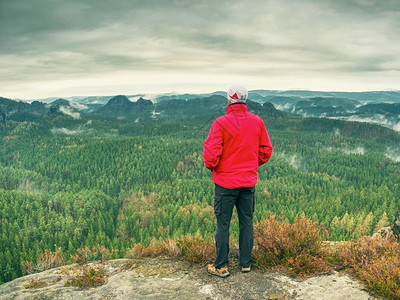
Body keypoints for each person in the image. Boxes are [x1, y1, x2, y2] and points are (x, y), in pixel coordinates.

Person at [203, 85, 273, 277]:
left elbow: (210, 155)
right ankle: (246, 264)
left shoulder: (220, 123)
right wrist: (251, 165)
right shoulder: (257, 122)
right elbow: (266, 151)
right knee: (246, 222)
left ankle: (221, 266)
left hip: (225, 184)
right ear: (245, 100)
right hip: (248, 183)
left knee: (223, 224)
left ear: (229, 100)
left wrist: (216, 167)